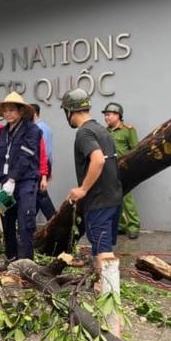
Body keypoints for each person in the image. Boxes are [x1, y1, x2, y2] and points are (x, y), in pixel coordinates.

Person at [62, 88, 123, 269]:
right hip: (113, 197)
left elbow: (98, 160)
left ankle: (110, 294)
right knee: (100, 246)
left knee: (104, 252)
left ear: (70, 111)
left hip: (99, 200)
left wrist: (83, 189)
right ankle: (100, 284)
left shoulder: (84, 133)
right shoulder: (102, 131)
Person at [0, 92, 42, 265]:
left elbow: (26, 156)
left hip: (25, 181)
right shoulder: (4, 132)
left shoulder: (32, 130)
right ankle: (10, 259)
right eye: (5, 111)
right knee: (7, 221)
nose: (8, 114)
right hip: (6, 183)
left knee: (25, 222)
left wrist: (13, 179)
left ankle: (26, 264)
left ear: (21, 111)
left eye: (12, 110)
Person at [103, 102, 141, 239]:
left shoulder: (128, 130)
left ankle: (133, 226)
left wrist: (132, 169)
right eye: (105, 115)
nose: (106, 117)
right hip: (109, 170)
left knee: (127, 198)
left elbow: (136, 150)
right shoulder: (104, 131)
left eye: (109, 114)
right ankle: (120, 226)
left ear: (118, 115)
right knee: (113, 199)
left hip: (124, 169)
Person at [32, 104, 56, 220]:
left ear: (34, 113)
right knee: (37, 196)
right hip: (43, 165)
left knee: (41, 195)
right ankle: (27, 225)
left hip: (40, 165)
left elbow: (44, 152)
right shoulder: (43, 127)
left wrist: (44, 175)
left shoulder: (39, 128)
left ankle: (55, 222)